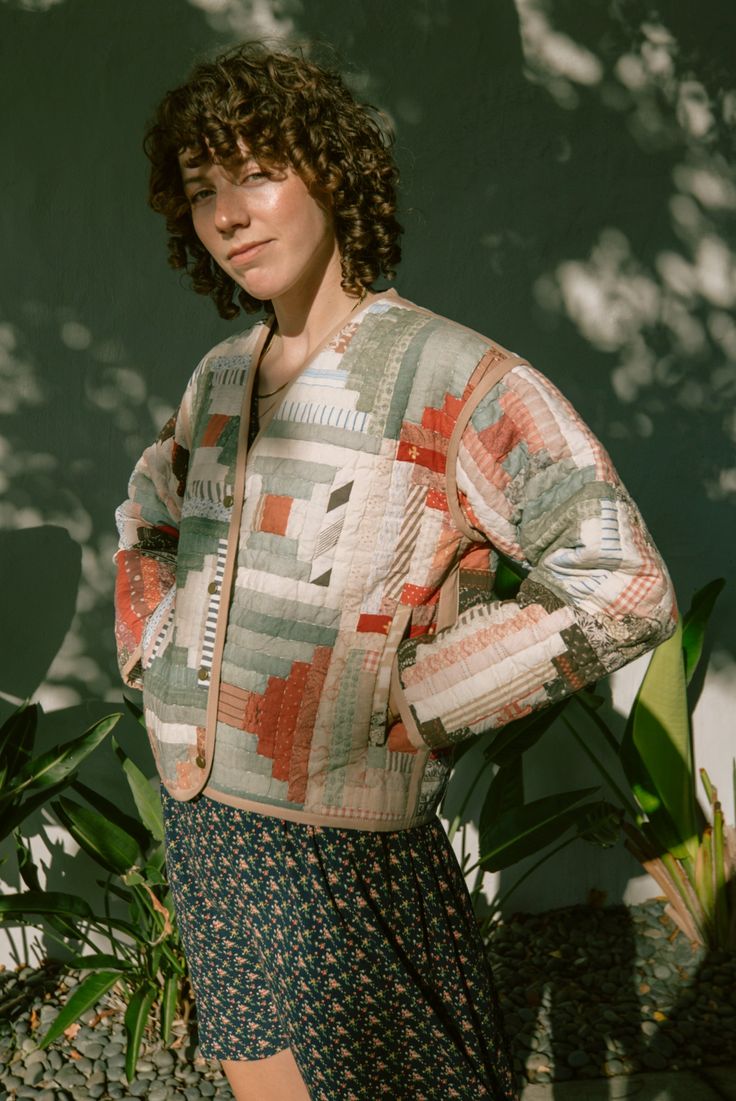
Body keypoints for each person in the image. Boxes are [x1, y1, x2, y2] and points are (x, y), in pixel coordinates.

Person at [113, 41, 677, 1101]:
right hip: (205, 823)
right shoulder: (221, 377)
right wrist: (155, 658)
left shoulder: (450, 376)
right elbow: (147, 519)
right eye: (201, 191)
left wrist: (420, 700)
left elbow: (621, 581)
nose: (228, 214)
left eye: (258, 171)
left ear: (330, 170)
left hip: (343, 853)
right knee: (260, 1083)